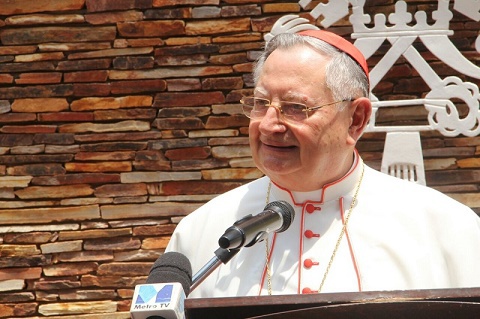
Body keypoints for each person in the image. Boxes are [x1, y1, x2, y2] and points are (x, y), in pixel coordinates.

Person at [165, 29, 480, 298]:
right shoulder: (201, 231)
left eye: (295, 107)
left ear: (355, 120)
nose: (268, 125)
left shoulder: (446, 229)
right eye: (261, 104)